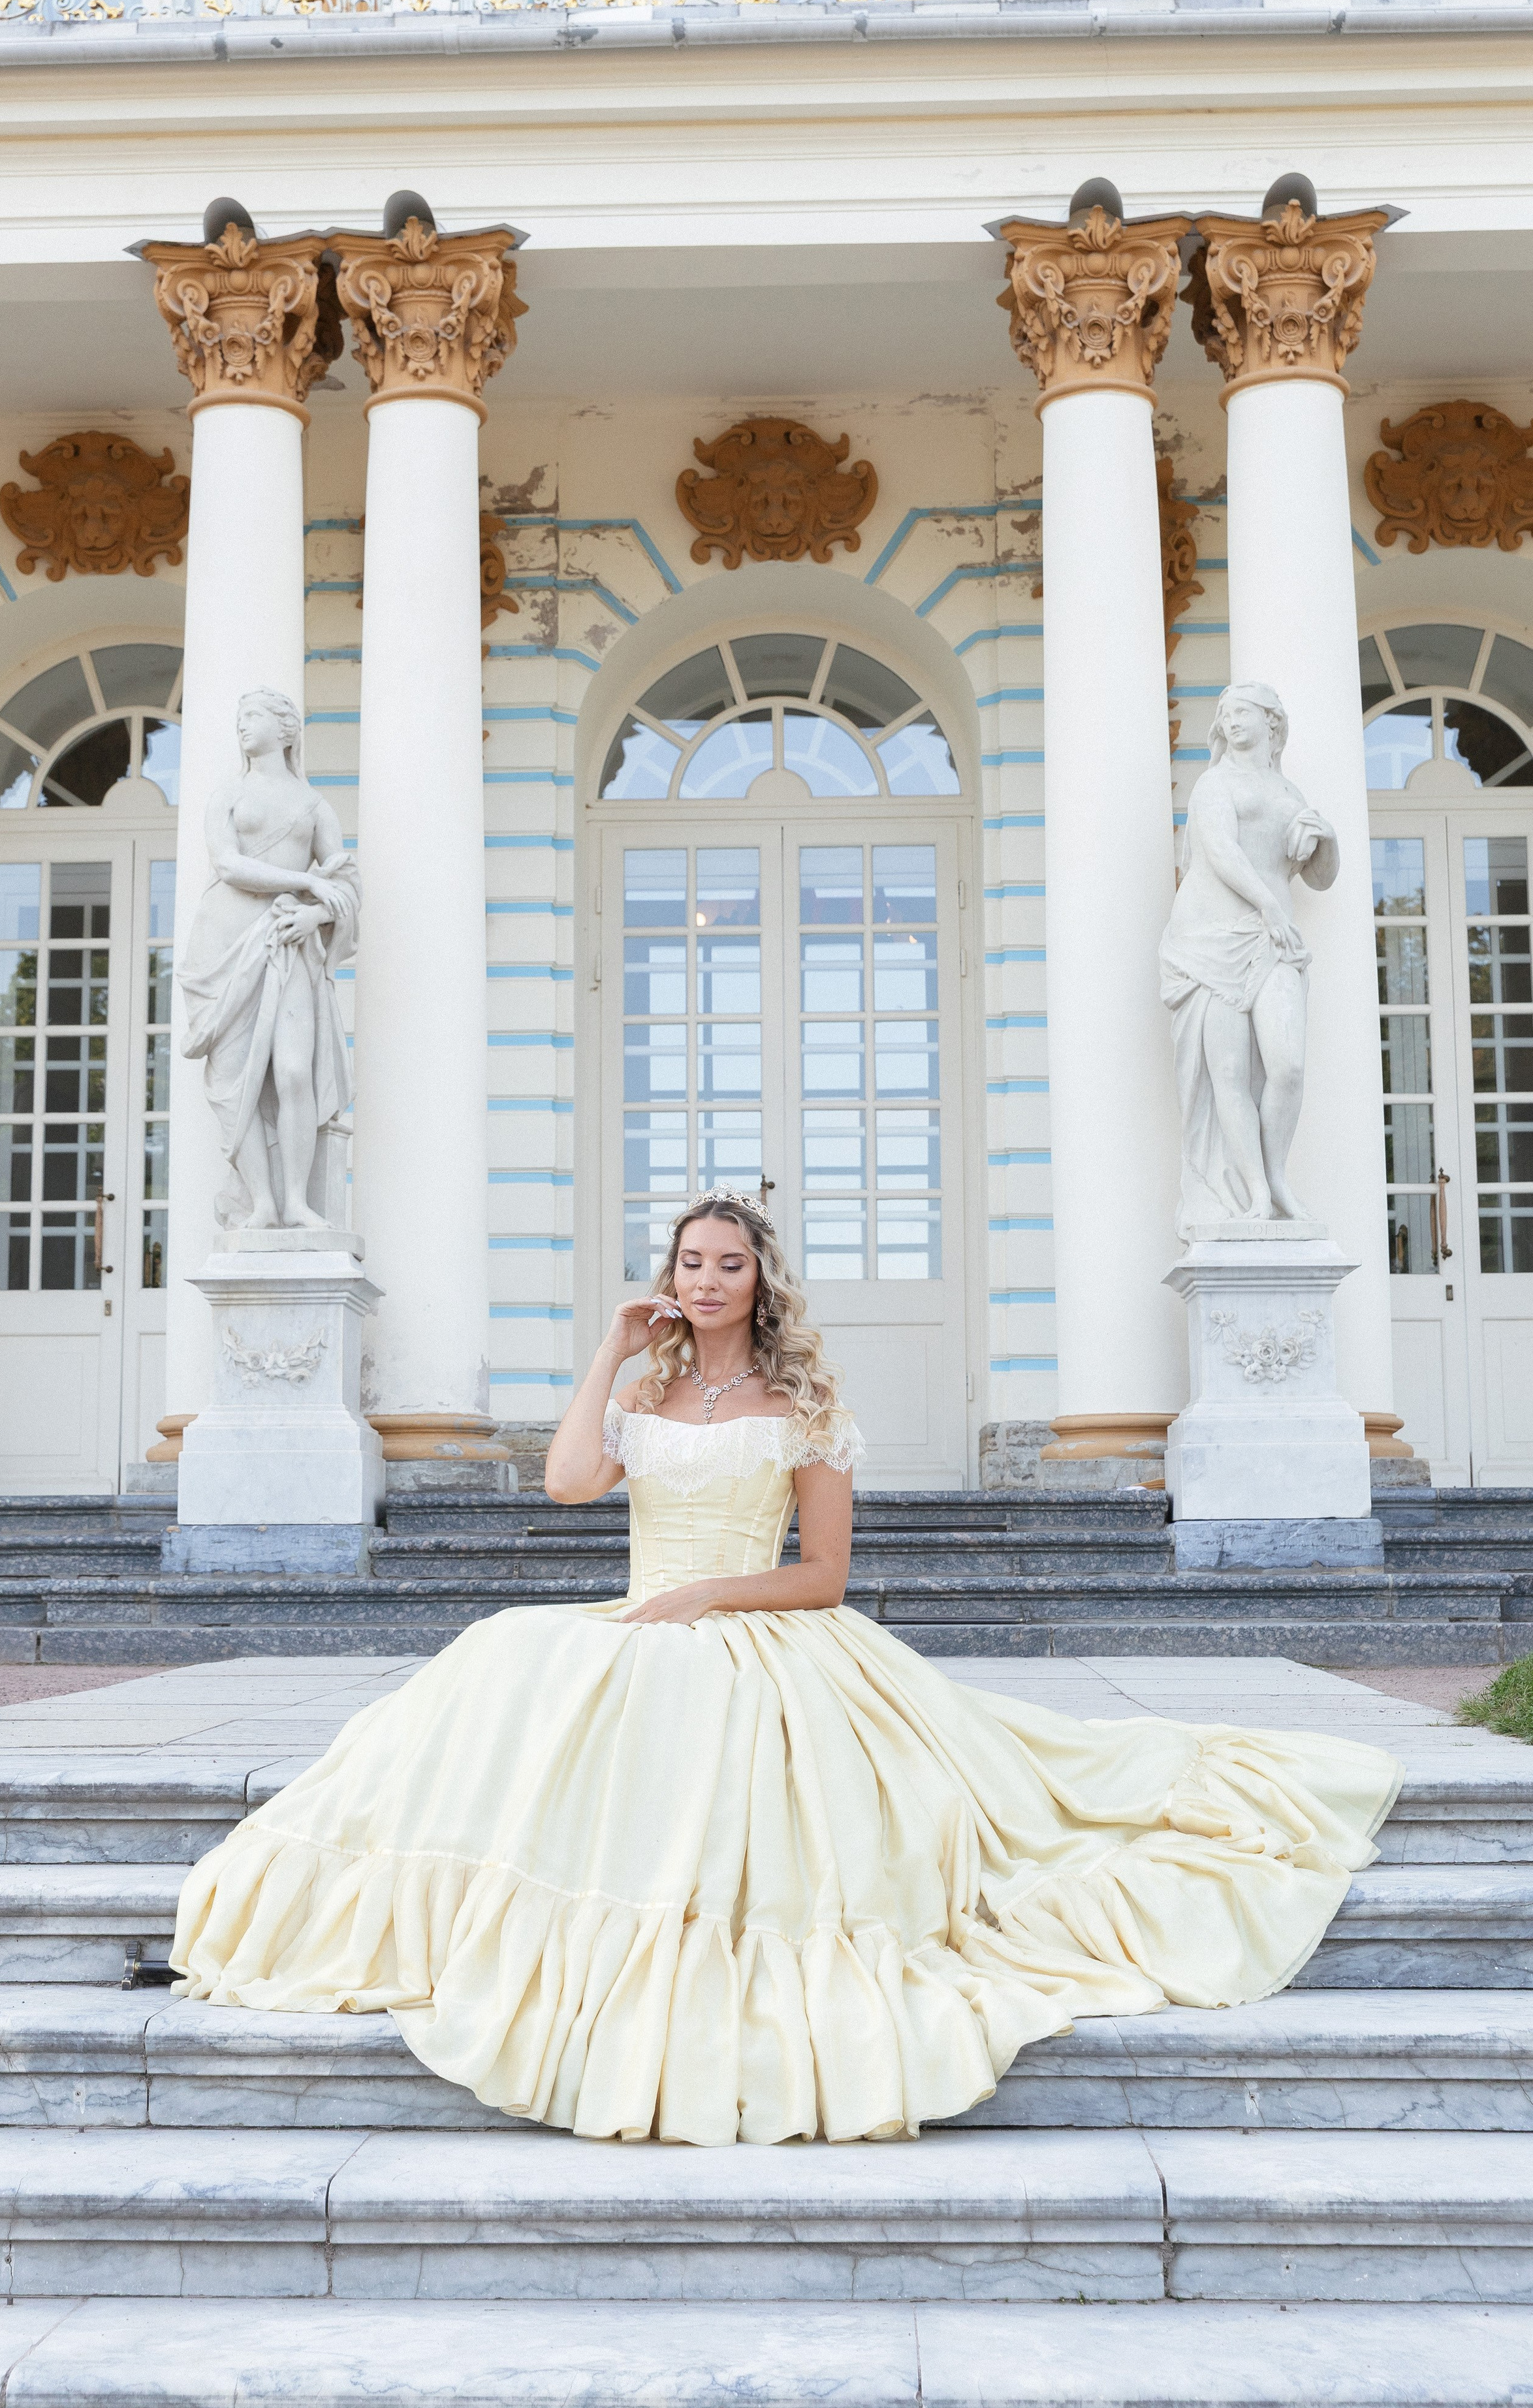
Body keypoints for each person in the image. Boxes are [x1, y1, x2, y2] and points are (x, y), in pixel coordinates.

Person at [169, 1188, 1400, 2145]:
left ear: (761, 1282)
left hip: (760, 1621)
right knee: (504, 1661)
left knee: (710, 1714)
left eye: (728, 1264)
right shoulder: (645, 1387)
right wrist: (608, 1349)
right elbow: (567, 1482)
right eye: (688, 1265)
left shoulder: (806, 1402)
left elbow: (822, 1576)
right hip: (647, 1614)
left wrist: (710, 1595)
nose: (705, 1281)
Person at [1160, 681, 1340, 1237]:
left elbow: (1319, 877)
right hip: (1211, 941)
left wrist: (1327, 838)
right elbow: (1219, 850)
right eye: (1225, 714)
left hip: (1273, 941)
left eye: (1242, 712)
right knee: (1229, 1074)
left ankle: (1278, 1176)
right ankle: (1257, 1195)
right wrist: (1268, 905)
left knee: (1287, 1066)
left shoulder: (1290, 793)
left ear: (1272, 722)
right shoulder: (1215, 784)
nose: (1231, 721)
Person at [177, 686, 359, 1232]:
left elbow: (346, 881)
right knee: (238, 1084)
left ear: (286, 730)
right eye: (238, 718)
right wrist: (306, 882)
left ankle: (298, 1202)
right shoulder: (227, 795)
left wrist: (315, 917)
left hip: (288, 942)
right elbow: (228, 865)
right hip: (226, 942)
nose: (242, 726)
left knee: (295, 1072)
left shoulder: (313, 805)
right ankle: (262, 1202)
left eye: (252, 716)